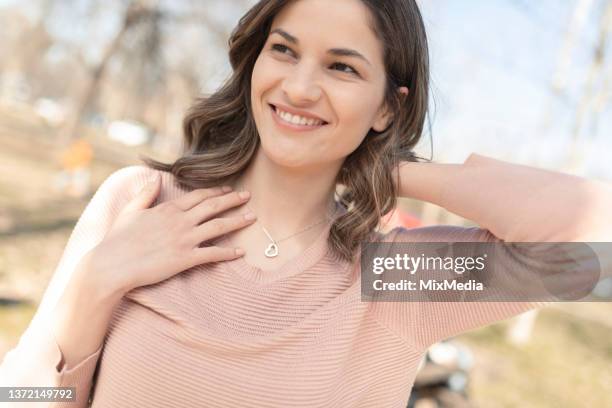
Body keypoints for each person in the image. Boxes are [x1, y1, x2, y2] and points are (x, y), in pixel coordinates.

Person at [1, 0, 611, 407]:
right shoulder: (141, 202)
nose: (298, 87)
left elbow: (595, 252)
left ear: (387, 108)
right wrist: (95, 285)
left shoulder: (391, 276)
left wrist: (388, 166)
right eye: (284, 50)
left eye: (341, 67)